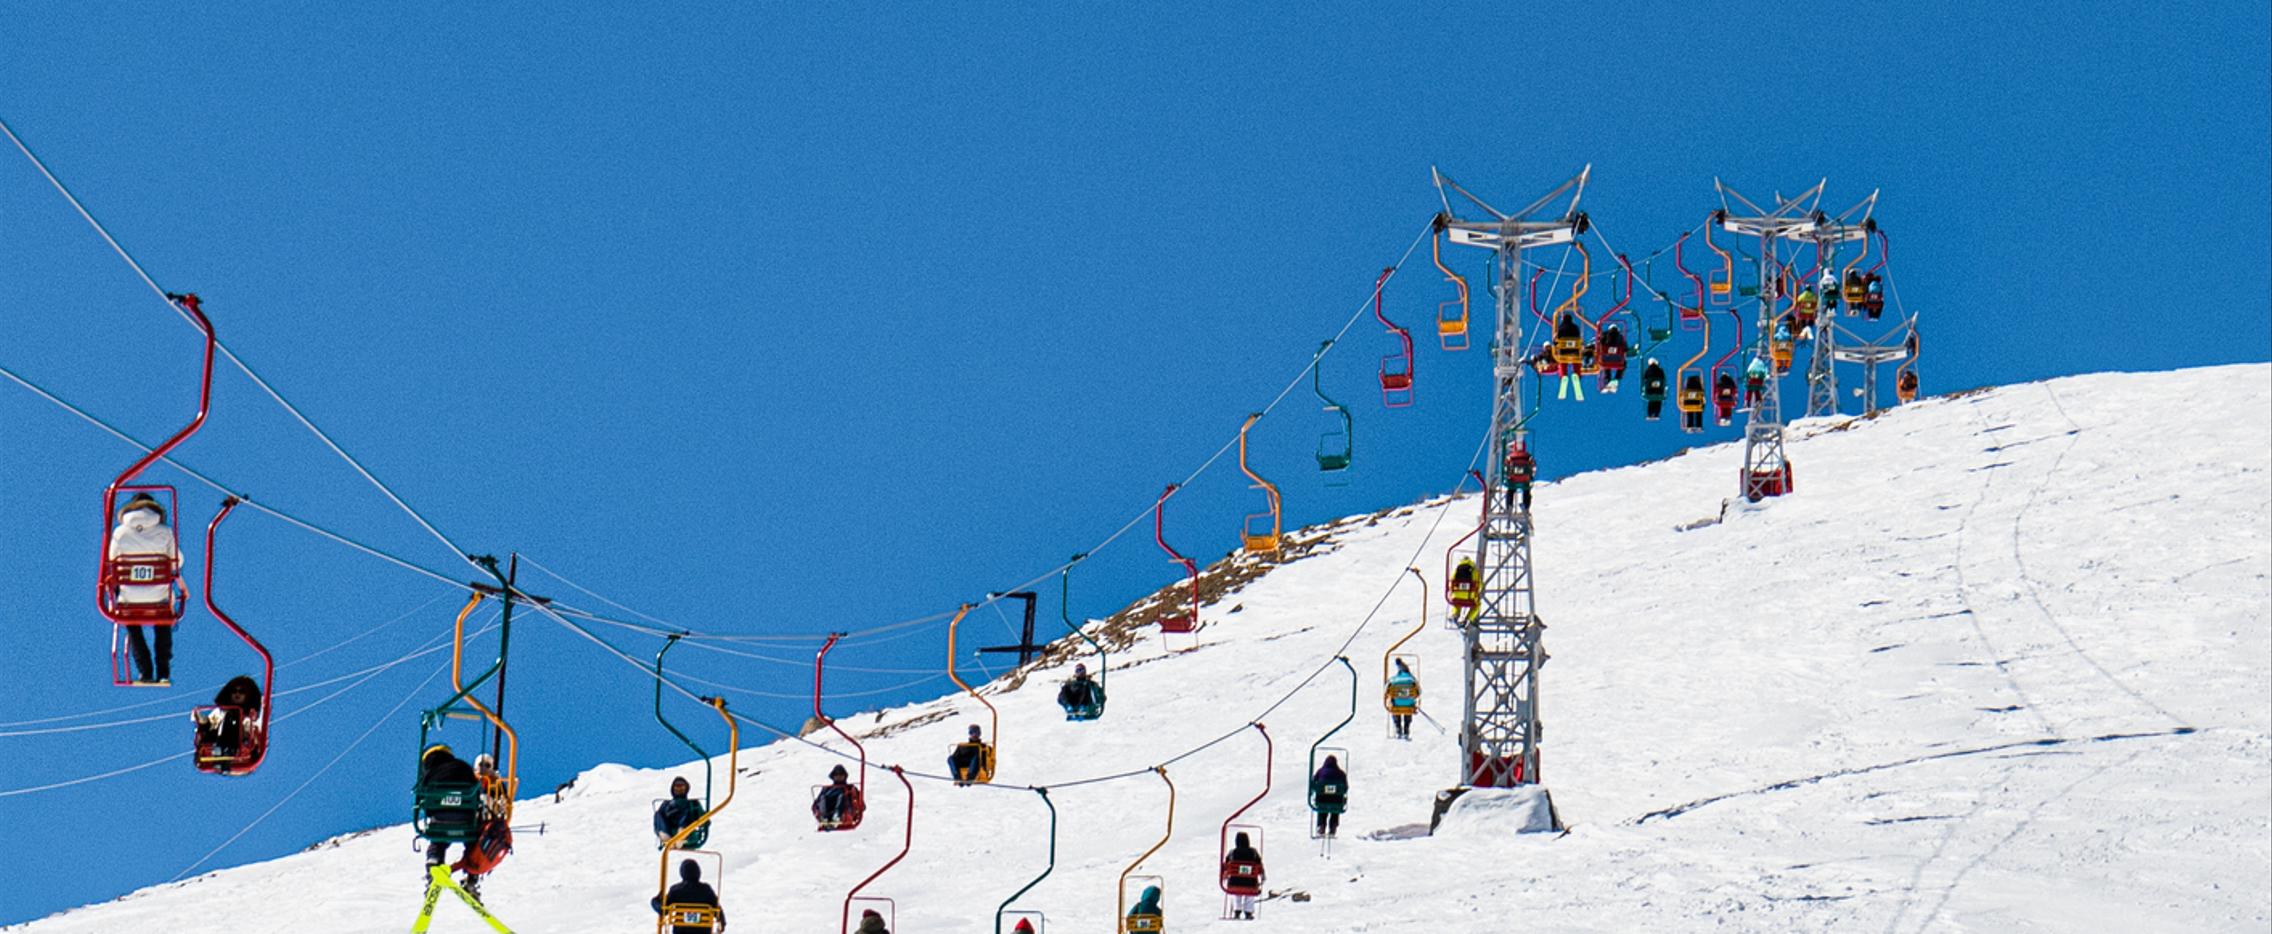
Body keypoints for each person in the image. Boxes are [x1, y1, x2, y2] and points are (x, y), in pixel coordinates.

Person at [109, 492, 179, 685]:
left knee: (130, 620)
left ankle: (144, 670)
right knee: (164, 618)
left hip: (129, 595)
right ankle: (163, 671)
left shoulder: (119, 533)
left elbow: (112, 560)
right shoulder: (165, 532)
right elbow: (175, 562)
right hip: (159, 595)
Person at [418, 744, 480, 871]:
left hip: (439, 819)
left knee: (438, 839)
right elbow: (476, 790)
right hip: (466, 819)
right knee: (473, 839)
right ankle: (472, 868)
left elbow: (423, 799)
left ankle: (434, 860)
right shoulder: (463, 767)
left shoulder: (429, 775)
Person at [193, 674, 264, 768]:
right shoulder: (220, 712)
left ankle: (228, 751)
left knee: (233, 717)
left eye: (241, 692)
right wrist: (199, 718)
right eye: (234, 691)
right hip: (218, 739)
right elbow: (208, 723)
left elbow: (257, 728)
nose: (237, 694)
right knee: (228, 716)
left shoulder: (250, 716)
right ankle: (220, 751)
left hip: (240, 742)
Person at [651, 857, 726, 934]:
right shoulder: (706, 890)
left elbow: (663, 910)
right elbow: (717, 909)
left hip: (681, 932)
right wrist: (722, 923)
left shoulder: (676, 890)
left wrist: (654, 901)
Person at [1223, 831, 1264, 919]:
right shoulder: (1253, 852)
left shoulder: (1232, 852)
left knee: (1236, 893)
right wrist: (1262, 876)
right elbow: (1259, 865)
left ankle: (1237, 911)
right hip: (1251, 883)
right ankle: (1248, 912)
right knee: (1249, 893)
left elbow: (1226, 865)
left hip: (1234, 882)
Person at [654, 776, 705, 846]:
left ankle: (681, 835)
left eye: (681, 786)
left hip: (688, 833)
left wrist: (704, 822)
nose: (679, 788)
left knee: (686, 813)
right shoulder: (666, 804)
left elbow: (703, 820)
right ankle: (666, 837)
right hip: (670, 831)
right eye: (677, 786)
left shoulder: (693, 803)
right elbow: (659, 820)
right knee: (658, 814)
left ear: (686, 788)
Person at [813, 764, 863, 829]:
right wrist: (817, 811)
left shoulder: (850, 788)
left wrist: (858, 809)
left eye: (841, 775)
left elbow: (861, 805)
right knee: (823, 797)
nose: (839, 777)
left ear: (845, 776)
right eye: (836, 775)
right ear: (833, 776)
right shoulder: (827, 789)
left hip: (845, 812)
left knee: (842, 796)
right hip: (829, 810)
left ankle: (837, 817)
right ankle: (824, 817)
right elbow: (816, 804)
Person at [1310, 756, 1349, 837]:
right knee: (1335, 809)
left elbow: (1313, 784)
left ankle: (1321, 826)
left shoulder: (1320, 771)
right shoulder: (1341, 773)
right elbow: (1345, 788)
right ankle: (1333, 827)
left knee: (1322, 809)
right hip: (1337, 800)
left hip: (1322, 800)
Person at [1386, 659, 1419, 740]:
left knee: (1395, 704)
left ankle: (1398, 728)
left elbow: (1387, 691)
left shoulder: (1393, 680)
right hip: (1409, 706)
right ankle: (1406, 729)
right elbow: (1418, 692)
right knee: (1409, 704)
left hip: (1396, 706)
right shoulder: (1412, 680)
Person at [1501, 442, 1535, 512]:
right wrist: (1531, 476)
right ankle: (1526, 506)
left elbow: (1505, 467)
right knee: (1526, 490)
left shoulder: (1510, 456)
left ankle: (1509, 506)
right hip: (1525, 478)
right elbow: (1533, 467)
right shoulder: (1528, 456)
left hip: (1513, 478)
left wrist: (1507, 476)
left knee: (1510, 490)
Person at [1598, 324, 1628, 393]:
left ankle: (1608, 379)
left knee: (1606, 365)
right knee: (1623, 364)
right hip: (1618, 359)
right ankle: (1617, 377)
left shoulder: (1604, 335)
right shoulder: (1620, 337)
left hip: (1606, 358)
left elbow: (1600, 344)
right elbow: (1625, 348)